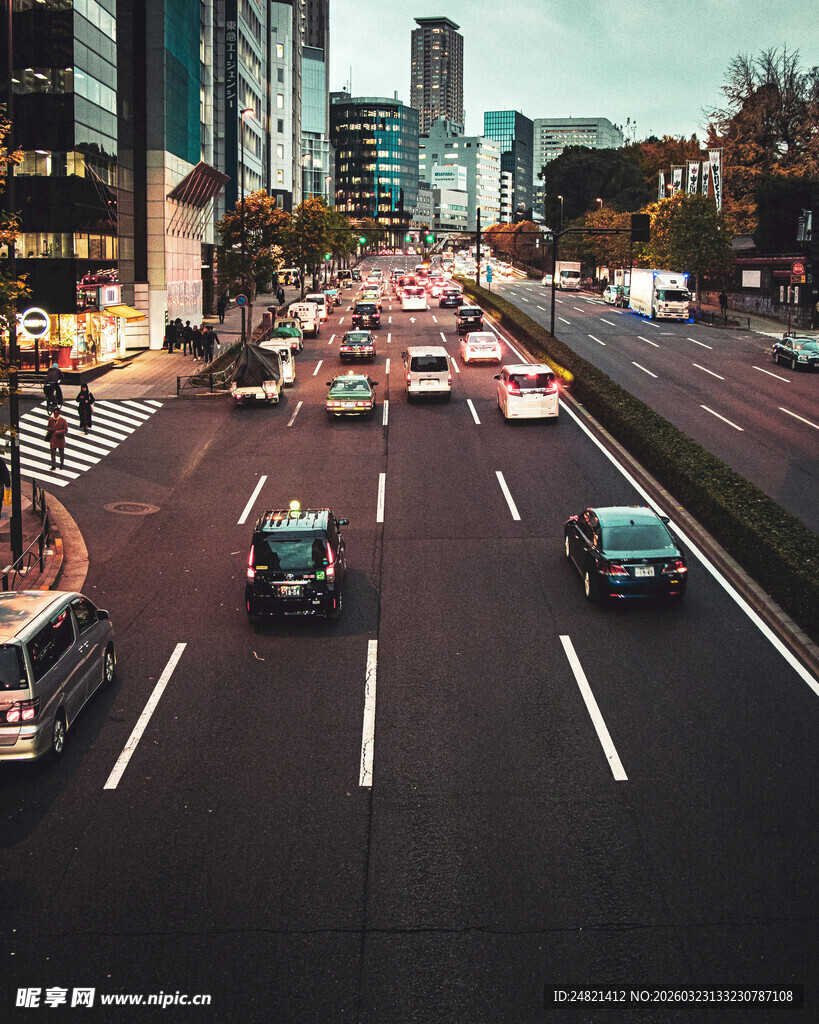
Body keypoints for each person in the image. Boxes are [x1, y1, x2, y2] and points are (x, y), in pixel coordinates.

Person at [46, 406, 68, 471]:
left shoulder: (63, 420)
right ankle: (53, 465)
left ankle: (62, 464)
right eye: (54, 413)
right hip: (53, 438)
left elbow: (65, 430)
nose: (55, 415)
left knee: (61, 452)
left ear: (58, 413)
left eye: (56, 413)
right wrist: (50, 429)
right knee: (53, 452)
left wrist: (58, 432)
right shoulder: (50, 420)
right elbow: (48, 427)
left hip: (60, 438)